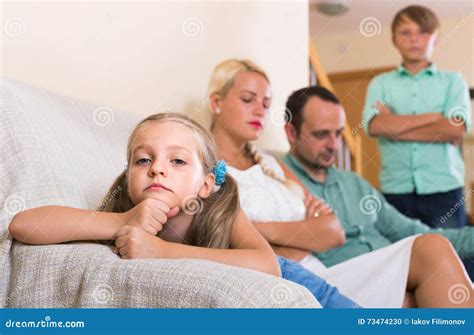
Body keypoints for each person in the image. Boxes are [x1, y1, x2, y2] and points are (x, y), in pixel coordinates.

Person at [9, 112, 358, 308]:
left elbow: (266, 265)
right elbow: (24, 225)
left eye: (177, 160)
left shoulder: (220, 203)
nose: (157, 168)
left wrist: (160, 251)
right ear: (128, 174)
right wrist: (121, 220)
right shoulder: (125, 209)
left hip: (300, 284)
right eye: (143, 159)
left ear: (205, 184)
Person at [208, 58, 474, 307]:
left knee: (429, 263)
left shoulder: (269, 164)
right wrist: (297, 231)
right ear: (216, 102)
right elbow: (228, 238)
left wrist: (258, 229)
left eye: (266, 103)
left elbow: (332, 230)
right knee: (429, 252)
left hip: (336, 270)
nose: (259, 110)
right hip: (313, 277)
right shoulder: (205, 167)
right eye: (247, 99)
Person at [283, 84, 474, 282]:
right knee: (434, 258)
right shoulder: (278, 185)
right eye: (321, 134)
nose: (334, 145)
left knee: (433, 246)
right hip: (352, 283)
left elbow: (414, 232)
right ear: (291, 133)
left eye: (338, 133)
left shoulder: (354, 183)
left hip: (396, 272)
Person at [362, 5, 472, 229]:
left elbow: (455, 130)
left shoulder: (453, 81)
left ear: (436, 38)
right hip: (395, 192)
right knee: (402, 258)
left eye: (423, 32)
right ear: (394, 39)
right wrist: (434, 118)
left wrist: (395, 126)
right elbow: (374, 126)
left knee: (453, 257)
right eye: (405, 32)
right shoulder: (380, 83)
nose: (414, 39)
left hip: (445, 191)